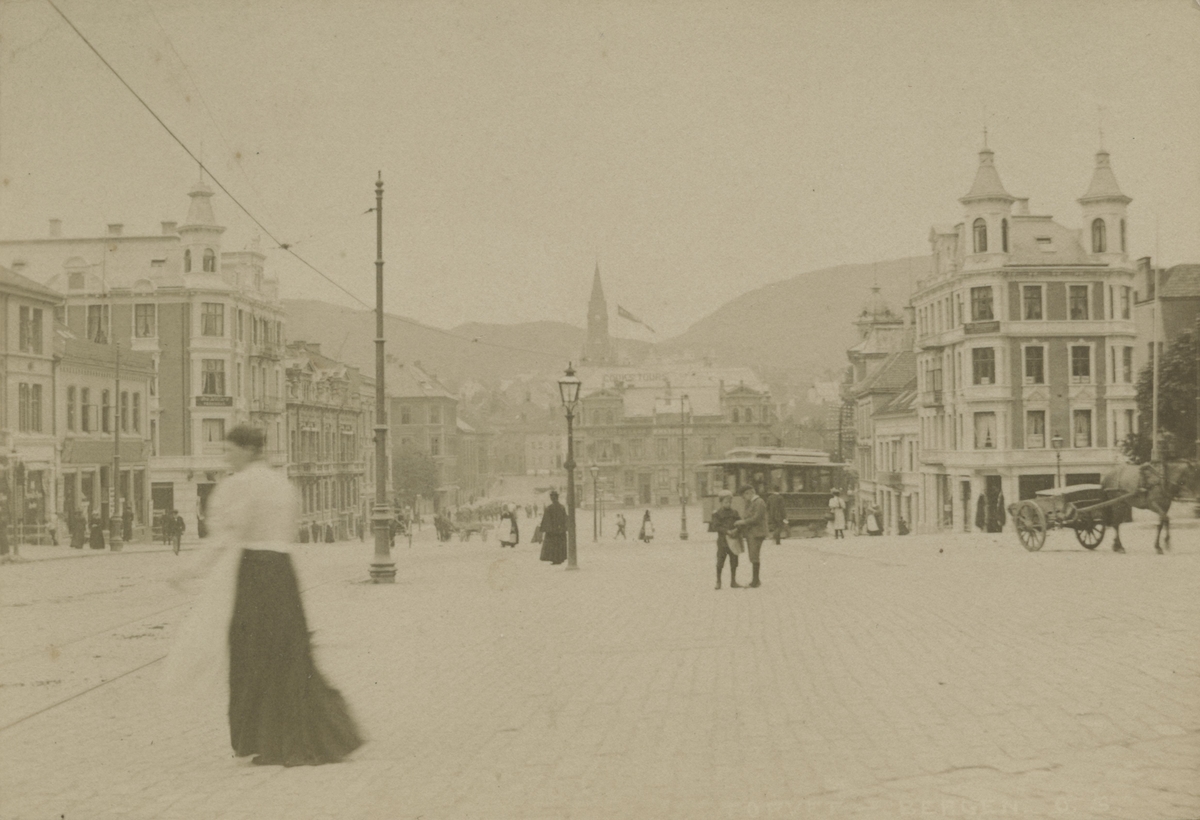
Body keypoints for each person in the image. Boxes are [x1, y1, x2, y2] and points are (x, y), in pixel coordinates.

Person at [162, 424, 362, 767]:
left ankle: (265, 740)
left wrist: (190, 570)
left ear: (249, 450)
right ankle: (305, 737)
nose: (226, 457)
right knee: (289, 656)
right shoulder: (282, 483)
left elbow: (227, 537)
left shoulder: (240, 485)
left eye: (230, 451)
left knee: (253, 658)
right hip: (282, 573)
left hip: (255, 574)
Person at [732, 485, 769, 587]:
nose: (743, 498)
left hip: (757, 533)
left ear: (749, 492)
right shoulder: (751, 502)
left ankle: (756, 581)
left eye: (744, 495)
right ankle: (755, 580)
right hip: (752, 532)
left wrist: (743, 522)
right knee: (753, 555)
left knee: (754, 555)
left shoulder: (759, 502)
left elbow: (756, 518)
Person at [709, 490, 743, 590]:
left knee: (734, 562)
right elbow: (715, 527)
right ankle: (718, 581)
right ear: (721, 502)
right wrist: (727, 531)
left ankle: (733, 581)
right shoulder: (717, 514)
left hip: (733, 541)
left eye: (729, 502)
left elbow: (740, 523)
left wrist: (737, 530)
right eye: (725, 502)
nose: (728, 504)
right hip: (723, 542)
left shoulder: (735, 512)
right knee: (720, 562)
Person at [538, 490, 568, 564]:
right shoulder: (562, 507)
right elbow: (565, 518)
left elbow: (546, 520)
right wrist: (564, 527)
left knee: (553, 545)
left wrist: (546, 529)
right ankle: (560, 558)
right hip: (560, 530)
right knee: (560, 544)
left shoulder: (549, 508)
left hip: (552, 530)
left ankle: (555, 559)